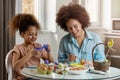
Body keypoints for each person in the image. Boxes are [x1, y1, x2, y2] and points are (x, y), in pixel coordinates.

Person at [8, 13, 54, 80]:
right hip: (24, 78)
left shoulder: (38, 46)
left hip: (36, 77)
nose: (34, 37)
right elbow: (15, 67)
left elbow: (51, 62)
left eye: (36, 34)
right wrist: (30, 54)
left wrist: (49, 51)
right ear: (22, 34)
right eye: (30, 34)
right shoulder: (18, 48)